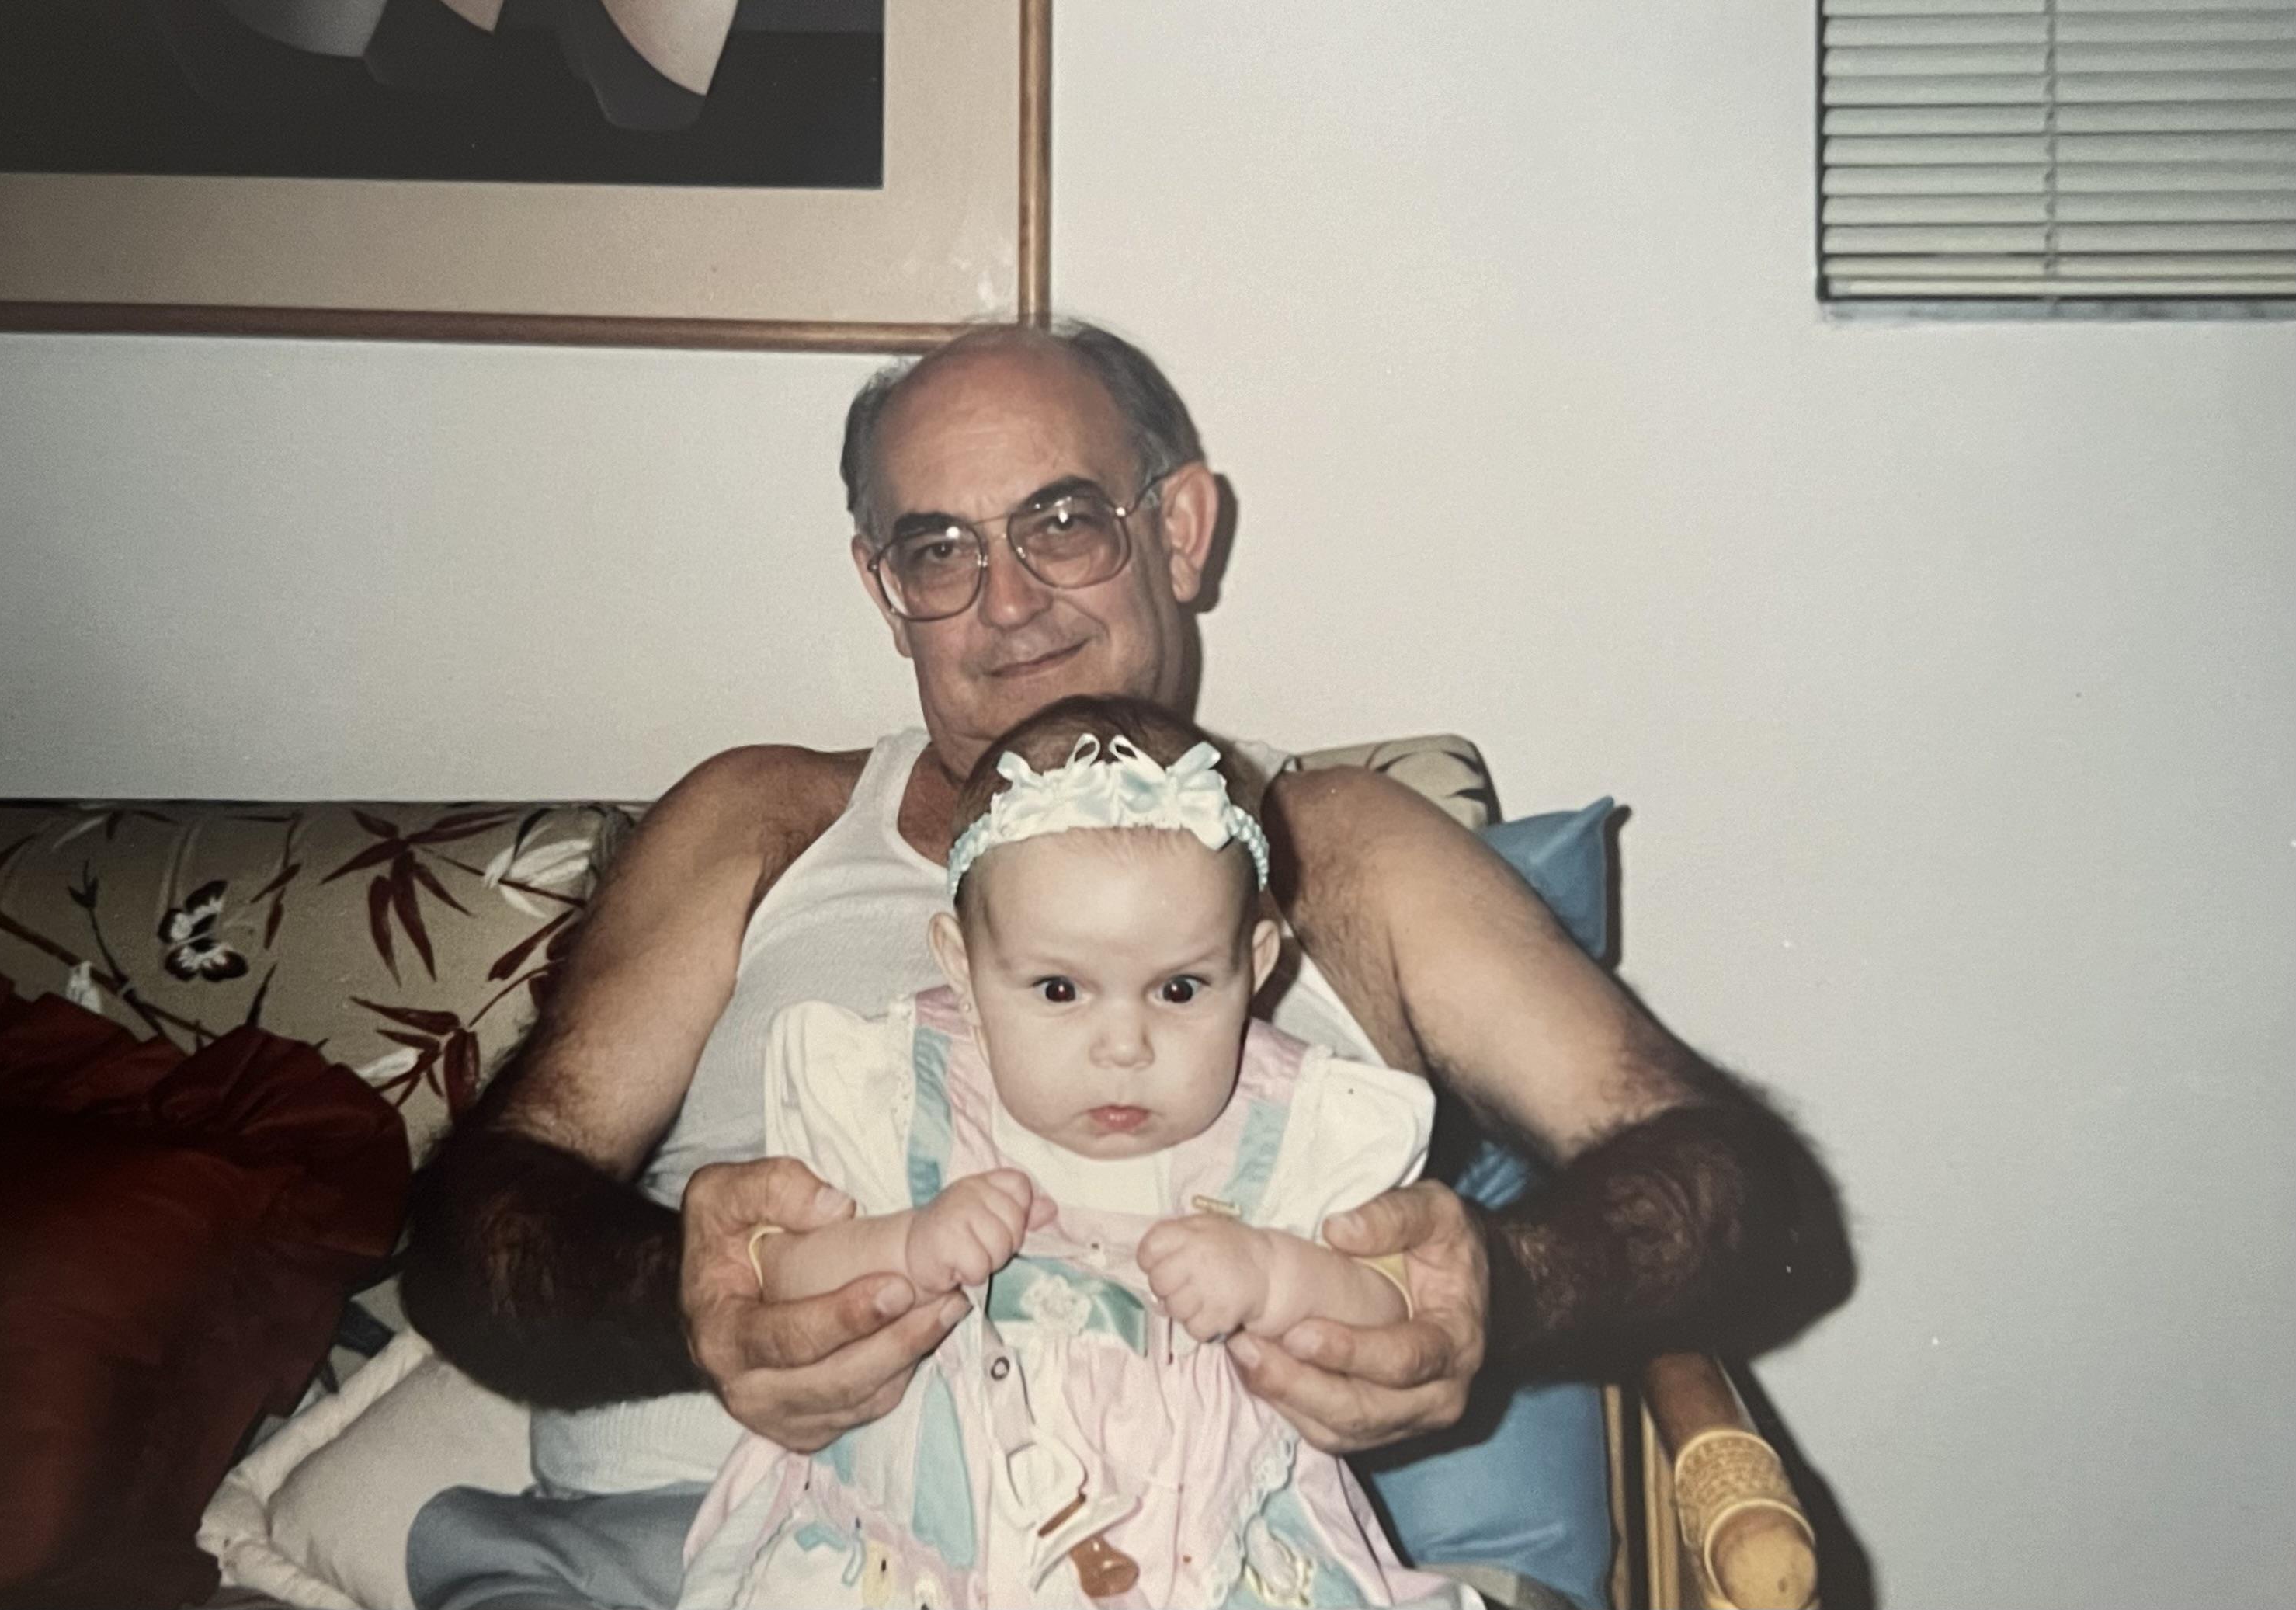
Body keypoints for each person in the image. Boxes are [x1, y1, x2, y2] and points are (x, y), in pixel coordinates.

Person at [401, 319, 1852, 1610]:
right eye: (938, 547)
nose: (1007, 599)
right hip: (685, 1545)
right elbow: (475, 1233)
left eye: (1063, 520)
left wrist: (1503, 1284)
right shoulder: (761, 820)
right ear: (879, 581)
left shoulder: (1342, 852)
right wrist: (689, 1299)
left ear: (1182, 528)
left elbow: (1743, 1188)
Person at [677, 696, 1472, 1609]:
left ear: (1254, 965)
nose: (1124, 1045)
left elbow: (1390, 1304)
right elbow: (780, 1280)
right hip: (917, 1566)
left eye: (1178, 989)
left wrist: (1275, 1276)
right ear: (963, 971)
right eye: (1059, 989)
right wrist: (900, 1247)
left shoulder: (1288, 1128)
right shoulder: (900, 1096)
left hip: (1212, 1570)